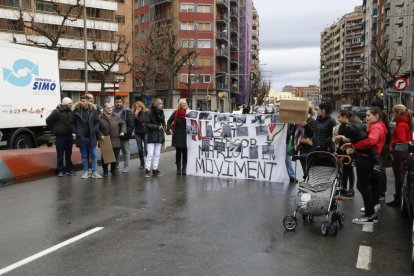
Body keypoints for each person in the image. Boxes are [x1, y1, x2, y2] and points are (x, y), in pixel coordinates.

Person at [341, 106, 387, 225]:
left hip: (366, 159)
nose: (366, 118)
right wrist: (351, 144)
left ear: (377, 116)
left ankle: (370, 215)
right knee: (367, 186)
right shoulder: (377, 125)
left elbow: (371, 141)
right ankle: (370, 211)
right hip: (367, 158)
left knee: (362, 186)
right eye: (366, 115)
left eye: (369, 115)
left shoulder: (376, 127)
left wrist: (354, 146)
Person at [387, 104, 413, 207]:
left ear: (397, 113)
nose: (393, 114)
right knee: (400, 176)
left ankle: (398, 199)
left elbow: (402, 140)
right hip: (404, 152)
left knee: (398, 177)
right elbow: (409, 138)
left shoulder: (402, 124)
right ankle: (399, 197)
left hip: (399, 152)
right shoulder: (406, 122)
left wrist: (393, 143)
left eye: (394, 112)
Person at [71, 95, 102, 179]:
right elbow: (72, 123)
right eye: (81, 100)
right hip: (81, 138)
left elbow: (97, 122)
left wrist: (95, 129)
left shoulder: (93, 111)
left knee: (94, 155)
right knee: (84, 156)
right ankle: (86, 172)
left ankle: (94, 172)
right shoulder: (76, 111)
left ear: (88, 101)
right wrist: (76, 131)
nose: (82, 102)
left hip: (91, 137)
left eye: (84, 101)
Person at [46, 97, 74, 177]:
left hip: (69, 136)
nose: (71, 105)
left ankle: (69, 170)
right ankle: (60, 170)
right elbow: (48, 120)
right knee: (60, 154)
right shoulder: (56, 112)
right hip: (60, 137)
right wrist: (54, 129)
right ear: (65, 104)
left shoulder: (71, 112)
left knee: (69, 154)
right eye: (70, 103)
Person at [98, 103, 126, 176]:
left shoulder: (116, 116)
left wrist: (123, 131)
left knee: (115, 156)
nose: (110, 109)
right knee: (105, 156)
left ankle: (113, 170)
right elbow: (96, 128)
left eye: (110, 108)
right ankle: (105, 171)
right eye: (108, 108)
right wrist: (100, 134)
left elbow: (123, 123)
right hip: (105, 139)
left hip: (115, 138)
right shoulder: (100, 117)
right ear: (104, 108)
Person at [333, 110, 355, 197]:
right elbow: (333, 138)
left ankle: (351, 189)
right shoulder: (337, 127)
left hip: (349, 151)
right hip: (340, 150)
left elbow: (352, 140)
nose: (338, 119)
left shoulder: (351, 127)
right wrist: (336, 139)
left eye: (340, 117)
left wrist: (342, 138)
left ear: (345, 117)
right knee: (342, 170)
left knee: (349, 170)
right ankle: (343, 187)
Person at [145, 98, 166, 178]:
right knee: (150, 154)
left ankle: (155, 169)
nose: (162, 105)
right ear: (157, 105)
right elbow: (147, 124)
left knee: (157, 154)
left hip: (159, 135)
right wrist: (157, 127)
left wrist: (162, 126)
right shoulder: (149, 113)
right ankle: (147, 169)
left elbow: (163, 123)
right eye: (160, 104)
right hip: (151, 135)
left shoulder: (161, 113)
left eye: (162, 104)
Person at [113, 96, 134, 173]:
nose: (118, 103)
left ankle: (126, 167)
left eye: (119, 102)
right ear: (114, 102)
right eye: (116, 102)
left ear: (122, 102)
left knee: (126, 151)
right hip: (115, 136)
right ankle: (116, 166)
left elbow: (131, 124)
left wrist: (126, 133)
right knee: (116, 152)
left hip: (124, 135)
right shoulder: (112, 110)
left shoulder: (127, 111)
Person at [167, 98, 188, 175]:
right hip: (177, 134)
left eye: (185, 103)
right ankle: (178, 168)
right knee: (178, 152)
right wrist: (170, 129)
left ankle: (184, 168)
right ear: (180, 105)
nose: (185, 105)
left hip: (186, 134)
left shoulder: (189, 112)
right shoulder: (176, 113)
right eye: (183, 103)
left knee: (185, 152)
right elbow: (169, 121)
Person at [298, 107, 316, 180]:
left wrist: (306, 125)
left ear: (308, 113)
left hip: (309, 146)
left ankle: (308, 177)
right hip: (302, 145)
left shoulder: (312, 121)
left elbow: (313, 132)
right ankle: (305, 176)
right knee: (302, 160)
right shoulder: (302, 120)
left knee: (308, 162)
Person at [133, 101, 148, 169]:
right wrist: (135, 115)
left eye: (139, 106)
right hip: (138, 133)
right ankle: (142, 163)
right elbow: (133, 124)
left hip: (145, 132)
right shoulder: (134, 113)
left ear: (141, 106)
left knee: (146, 148)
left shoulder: (146, 112)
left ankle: (148, 162)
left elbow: (147, 121)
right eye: (136, 107)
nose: (137, 108)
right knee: (140, 149)